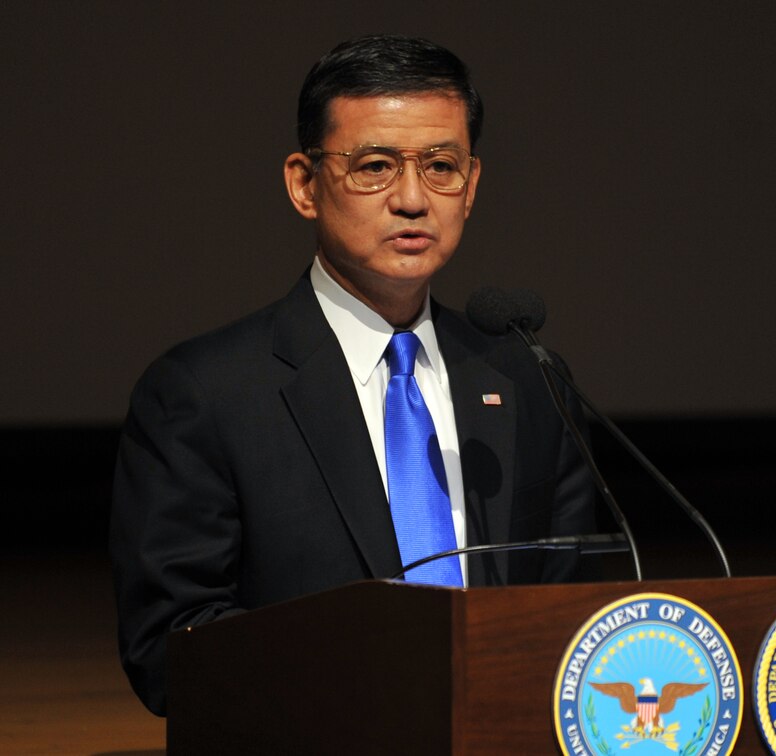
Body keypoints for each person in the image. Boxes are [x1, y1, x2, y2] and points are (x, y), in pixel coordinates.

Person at [109, 34, 598, 717]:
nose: (411, 199)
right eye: (374, 166)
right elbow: (169, 651)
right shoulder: (204, 394)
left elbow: (580, 611)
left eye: (440, 166)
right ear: (304, 185)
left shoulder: (527, 376)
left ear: (472, 185)